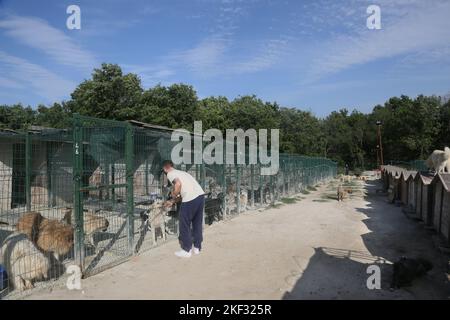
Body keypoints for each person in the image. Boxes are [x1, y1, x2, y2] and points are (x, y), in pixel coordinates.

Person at [162, 160, 205, 258]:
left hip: (190, 199)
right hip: (200, 196)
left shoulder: (170, 174)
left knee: (184, 223)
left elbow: (178, 185)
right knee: (197, 222)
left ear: (165, 168)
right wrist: (173, 202)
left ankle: (186, 250)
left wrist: (173, 195)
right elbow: (184, 191)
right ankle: (197, 247)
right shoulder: (182, 173)